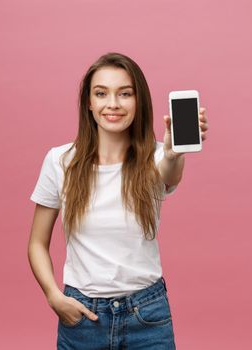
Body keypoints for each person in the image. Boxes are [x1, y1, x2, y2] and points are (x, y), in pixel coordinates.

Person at [28, 52, 208, 349]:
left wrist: (175, 153)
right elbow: (36, 243)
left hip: (147, 315)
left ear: (139, 102)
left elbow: (169, 174)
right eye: (101, 93)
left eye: (125, 93)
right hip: (83, 317)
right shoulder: (60, 161)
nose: (112, 104)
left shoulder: (158, 156)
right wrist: (54, 297)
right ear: (89, 102)